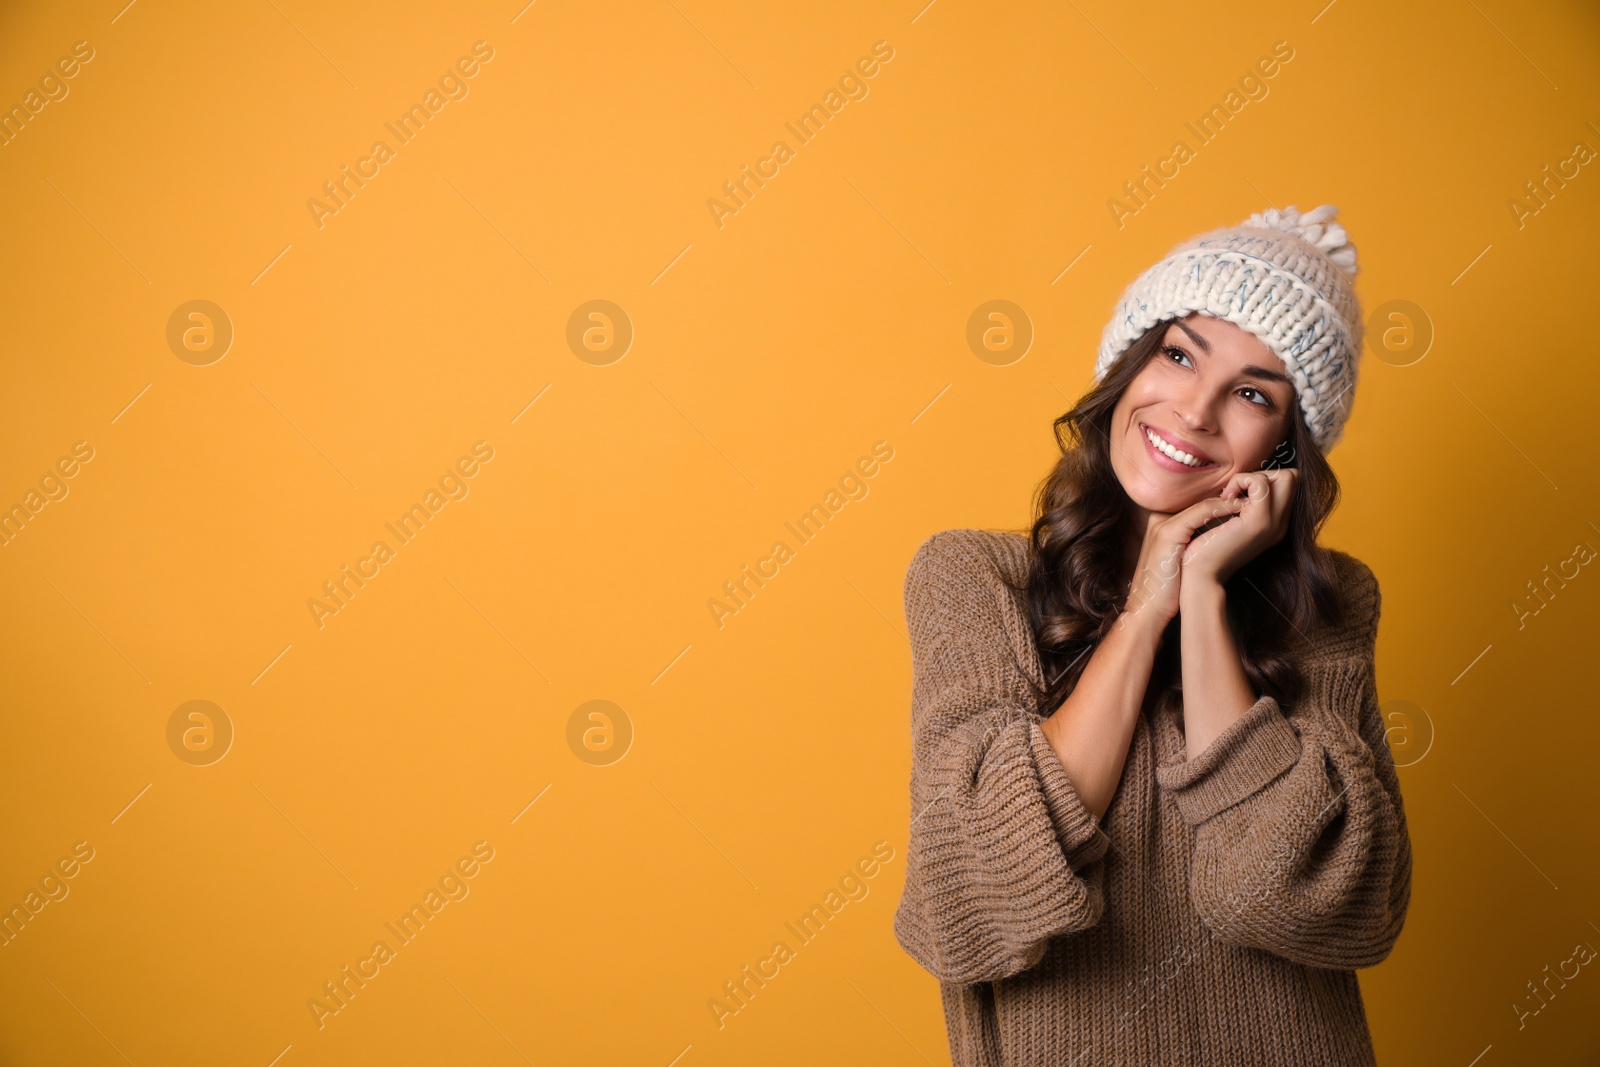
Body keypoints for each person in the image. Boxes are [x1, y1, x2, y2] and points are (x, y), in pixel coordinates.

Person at [893, 205, 1411, 1066]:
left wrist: (1204, 593)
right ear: (1127, 367)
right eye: (1177, 355)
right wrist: (1144, 611)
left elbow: (1315, 901)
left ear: (1289, 450)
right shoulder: (974, 579)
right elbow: (969, 896)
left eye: (1251, 394)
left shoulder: (1332, 604)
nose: (1194, 410)